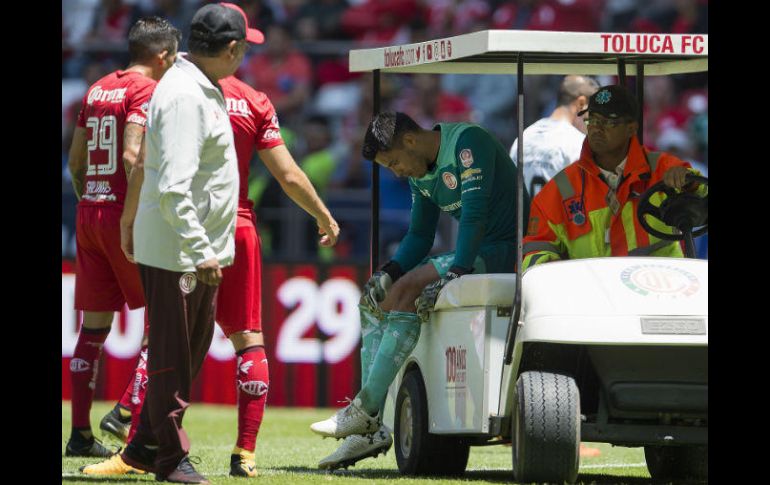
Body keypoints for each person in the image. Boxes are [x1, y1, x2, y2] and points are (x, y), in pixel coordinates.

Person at [83, 4, 260, 483]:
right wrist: (201, 248)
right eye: (245, 46)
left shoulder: (197, 87)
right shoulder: (185, 95)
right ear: (230, 48)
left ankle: (143, 448)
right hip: (183, 250)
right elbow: (175, 187)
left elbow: (157, 171)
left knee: (186, 354)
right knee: (171, 358)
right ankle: (169, 458)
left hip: (193, 246)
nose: (246, 54)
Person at [309, 111, 529, 470]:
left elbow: (475, 217)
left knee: (410, 286)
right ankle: (367, 429)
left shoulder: (467, 144)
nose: (396, 171)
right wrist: (389, 271)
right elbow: (420, 235)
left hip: (509, 250)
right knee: (376, 299)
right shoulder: (421, 170)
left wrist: (455, 270)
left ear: (410, 140)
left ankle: (365, 411)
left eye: (394, 161)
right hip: (475, 252)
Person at [65, 16, 180, 458]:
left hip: (88, 211)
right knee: (164, 317)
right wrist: (135, 216)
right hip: (122, 214)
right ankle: (126, 414)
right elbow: (133, 156)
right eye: (173, 58)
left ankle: (78, 435)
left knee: (92, 330)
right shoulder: (146, 91)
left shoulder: (96, 88)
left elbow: (76, 159)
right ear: (162, 56)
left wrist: (89, 201)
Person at [522, 85, 706, 271]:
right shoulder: (562, 188)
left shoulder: (662, 169)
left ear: (631, 128)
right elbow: (535, 250)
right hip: (592, 297)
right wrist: (557, 276)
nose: (596, 129)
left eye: (609, 122)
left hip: (665, 291)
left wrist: (690, 185)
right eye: (592, 120)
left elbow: (703, 196)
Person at [509, 75, 599, 197]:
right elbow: (575, 200)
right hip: (557, 214)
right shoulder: (577, 144)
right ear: (581, 103)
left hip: (524, 215)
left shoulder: (524, 138)